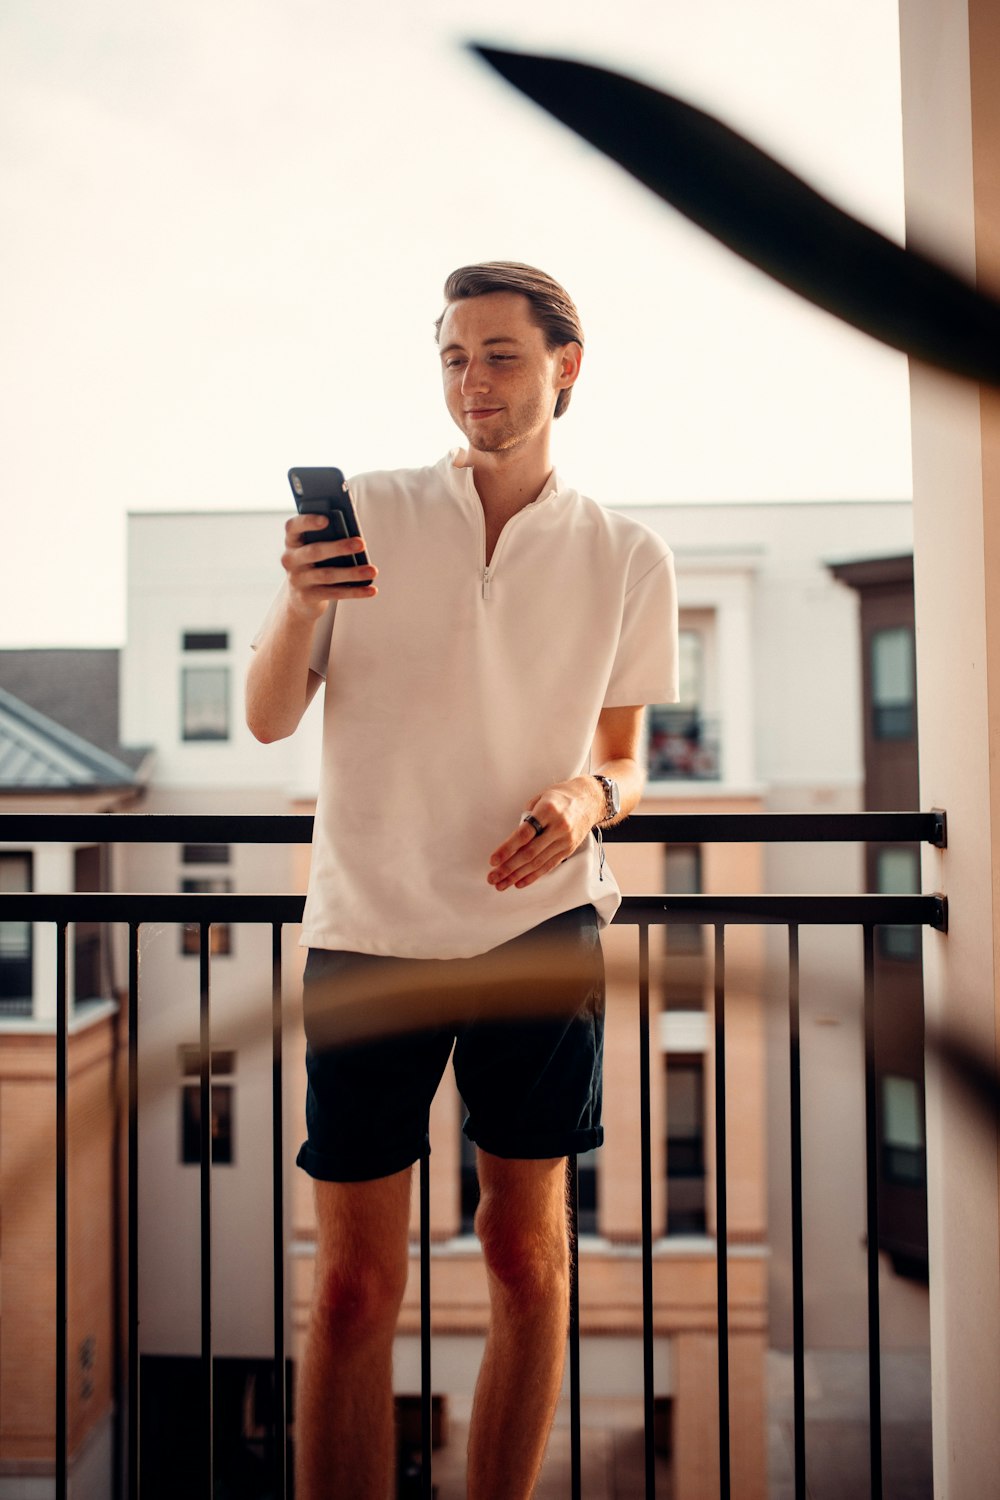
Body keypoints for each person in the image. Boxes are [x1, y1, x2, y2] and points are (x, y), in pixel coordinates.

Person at [246, 261, 678, 1500]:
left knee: (525, 1258)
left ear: (563, 367)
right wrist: (295, 596)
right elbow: (272, 720)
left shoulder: (626, 554)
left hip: (536, 931)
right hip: (369, 929)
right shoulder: (366, 511)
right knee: (348, 1286)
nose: (471, 381)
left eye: (496, 354)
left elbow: (626, 759)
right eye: (451, 357)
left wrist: (587, 801)